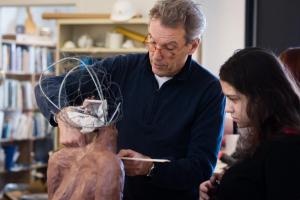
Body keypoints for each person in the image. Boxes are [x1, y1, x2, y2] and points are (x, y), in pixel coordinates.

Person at [35, 0, 225, 199]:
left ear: (192, 45)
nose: (156, 55)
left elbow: (200, 167)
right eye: (151, 42)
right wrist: (62, 116)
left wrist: (150, 168)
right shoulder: (121, 68)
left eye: (169, 47)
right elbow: (47, 86)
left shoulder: (209, 90)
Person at [199, 47, 300, 200]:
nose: (227, 108)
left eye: (234, 99)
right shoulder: (266, 137)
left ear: (260, 96)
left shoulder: (286, 147)